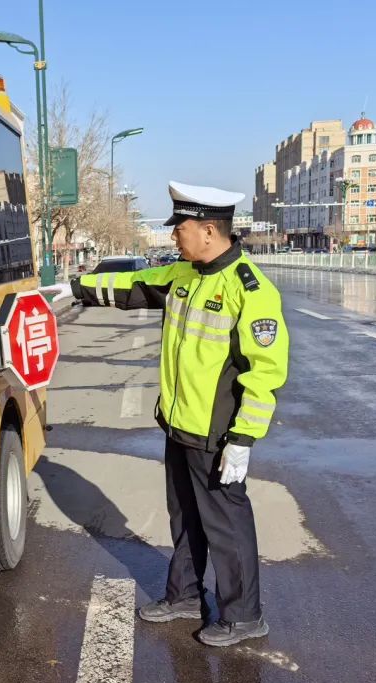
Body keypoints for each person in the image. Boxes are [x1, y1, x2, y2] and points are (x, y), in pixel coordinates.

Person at [41, 182, 289, 647]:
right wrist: (75, 288)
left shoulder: (249, 289)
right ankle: (185, 595)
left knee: (226, 525)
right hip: (179, 426)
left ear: (209, 230)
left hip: (218, 433)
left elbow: (266, 373)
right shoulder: (185, 275)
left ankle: (243, 616)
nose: (174, 235)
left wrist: (243, 439)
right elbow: (132, 285)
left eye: (181, 228)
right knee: (185, 517)